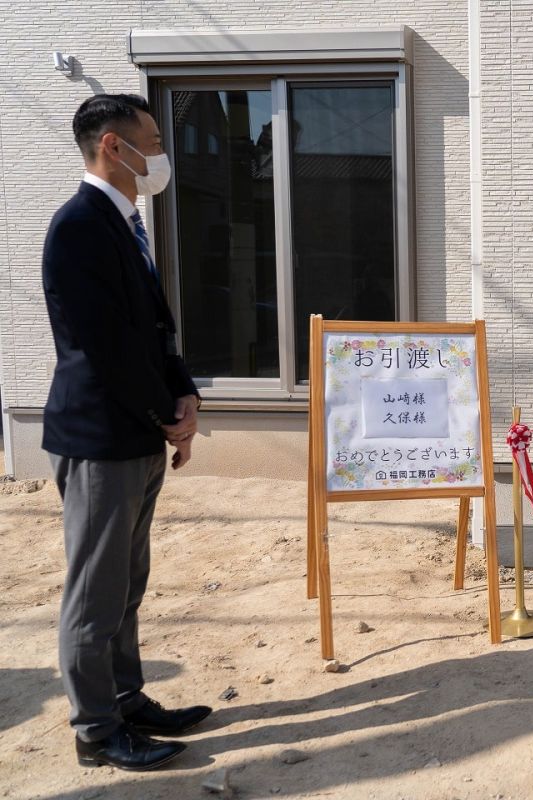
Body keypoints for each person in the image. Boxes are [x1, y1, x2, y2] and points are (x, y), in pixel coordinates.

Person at [42, 94, 210, 772]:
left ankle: (124, 696)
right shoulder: (79, 226)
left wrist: (185, 393)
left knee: (127, 581)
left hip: (136, 433)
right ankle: (95, 729)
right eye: (152, 140)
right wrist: (165, 413)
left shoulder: (125, 222)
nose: (160, 154)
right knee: (95, 590)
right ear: (115, 146)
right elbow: (104, 348)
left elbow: (155, 331)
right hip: (100, 437)